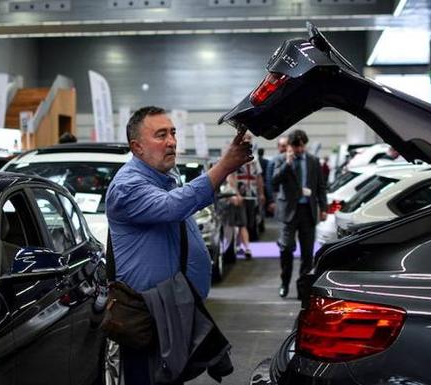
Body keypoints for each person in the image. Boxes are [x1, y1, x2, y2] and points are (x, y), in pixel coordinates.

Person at [106, 106, 252, 384]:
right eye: (161, 135)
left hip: (172, 311)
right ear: (136, 147)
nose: (172, 141)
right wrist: (224, 166)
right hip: (146, 318)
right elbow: (172, 207)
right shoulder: (127, 187)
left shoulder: (166, 179)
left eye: (172, 133)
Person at [272, 129, 327, 298]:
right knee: (286, 248)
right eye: (297, 147)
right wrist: (287, 164)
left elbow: (320, 186)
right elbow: (274, 181)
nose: (300, 150)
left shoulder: (313, 161)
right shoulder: (281, 160)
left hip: (307, 211)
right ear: (290, 146)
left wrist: (323, 208)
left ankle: (303, 288)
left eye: (303, 146)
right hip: (288, 211)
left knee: (307, 254)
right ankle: (284, 283)